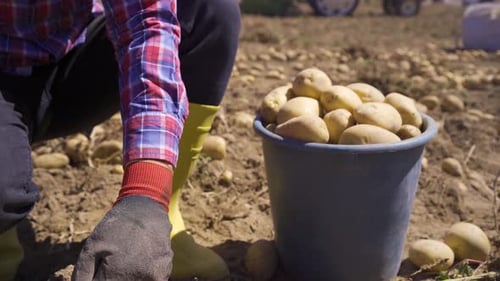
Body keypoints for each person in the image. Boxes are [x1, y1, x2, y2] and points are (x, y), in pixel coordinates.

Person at [0, 0, 241, 280]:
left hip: (71, 57)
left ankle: (160, 221)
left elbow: (146, 23)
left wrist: (146, 194)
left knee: (206, 10)